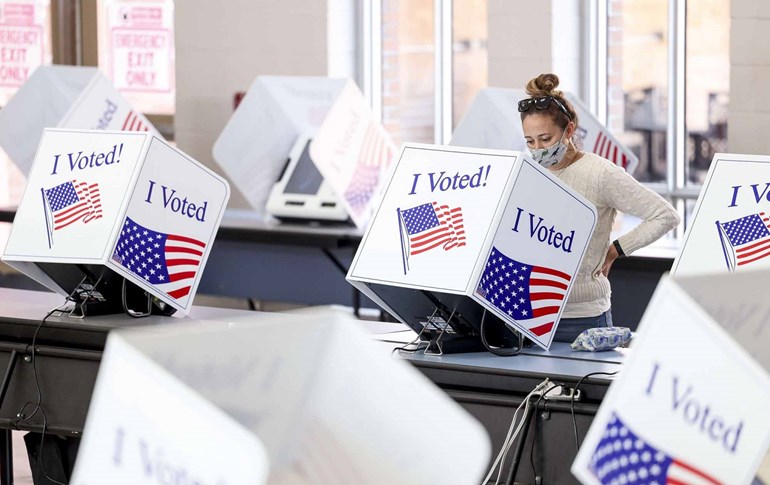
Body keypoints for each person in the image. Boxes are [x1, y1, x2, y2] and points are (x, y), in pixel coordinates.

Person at [518, 73, 680, 342]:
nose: (538, 150)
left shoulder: (599, 173)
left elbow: (665, 215)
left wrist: (616, 249)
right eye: (530, 141)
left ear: (569, 131)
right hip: (529, 314)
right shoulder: (528, 171)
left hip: (583, 317)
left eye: (546, 139)